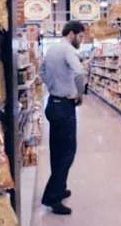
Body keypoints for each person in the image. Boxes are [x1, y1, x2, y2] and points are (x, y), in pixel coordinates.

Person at [39, 20, 86, 215]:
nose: (81, 41)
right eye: (81, 37)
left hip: (52, 104)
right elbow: (80, 72)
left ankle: (60, 188)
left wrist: (53, 86)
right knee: (67, 152)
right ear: (72, 34)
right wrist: (79, 93)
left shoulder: (52, 49)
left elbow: (41, 72)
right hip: (64, 107)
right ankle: (52, 197)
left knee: (57, 150)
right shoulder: (68, 50)